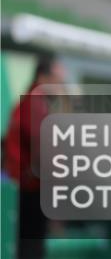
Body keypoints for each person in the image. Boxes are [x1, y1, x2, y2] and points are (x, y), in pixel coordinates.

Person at [2, 55, 66, 259]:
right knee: (31, 249)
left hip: (23, 189)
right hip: (31, 191)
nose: (61, 86)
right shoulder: (36, 106)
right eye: (58, 80)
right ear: (43, 77)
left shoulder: (27, 103)